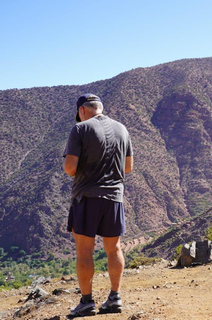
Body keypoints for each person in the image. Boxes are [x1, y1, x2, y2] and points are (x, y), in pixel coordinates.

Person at [63, 93, 133, 317]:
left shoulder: (80, 129)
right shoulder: (122, 129)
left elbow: (69, 168)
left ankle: (86, 302)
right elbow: (128, 167)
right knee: (114, 248)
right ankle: (115, 298)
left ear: (82, 111)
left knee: (84, 251)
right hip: (114, 198)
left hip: (87, 197)